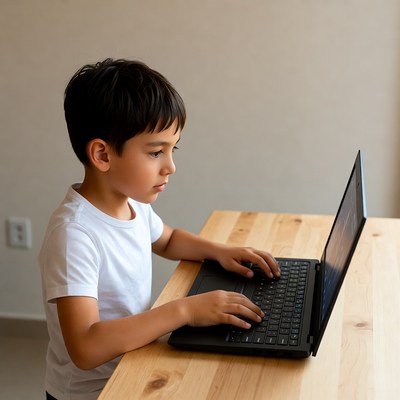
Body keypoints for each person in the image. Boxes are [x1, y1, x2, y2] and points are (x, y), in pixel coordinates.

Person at [38, 58, 280, 400]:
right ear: (102, 155)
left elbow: (166, 240)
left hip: (134, 363)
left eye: (172, 149)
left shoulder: (130, 201)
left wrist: (219, 251)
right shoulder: (74, 235)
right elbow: (86, 348)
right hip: (93, 393)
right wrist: (185, 310)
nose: (171, 166)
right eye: (156, 152)